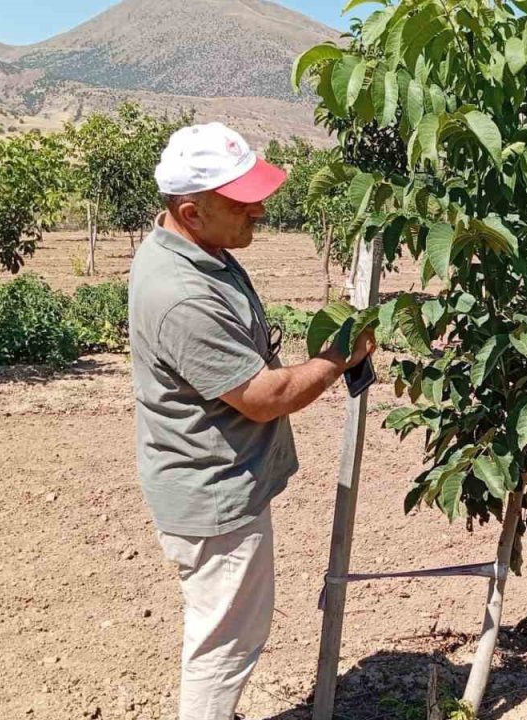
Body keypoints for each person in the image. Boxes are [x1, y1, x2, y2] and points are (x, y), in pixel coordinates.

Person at [128, 122, 375, 720]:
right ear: (191, 210)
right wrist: (339, 356)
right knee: (225, 645)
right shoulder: (182, 294)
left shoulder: (200, 250)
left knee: (222, 629)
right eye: (241, 202)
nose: (259, 209)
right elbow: (264, 396)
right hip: (213, 496)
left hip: (217, 479)